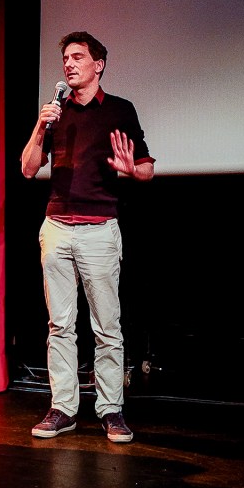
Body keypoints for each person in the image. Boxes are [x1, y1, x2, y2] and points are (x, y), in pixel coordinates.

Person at [20, 31, 155, 444]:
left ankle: (111, 409)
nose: (69, 64)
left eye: (78, 57)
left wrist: (131, 169)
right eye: (66, 58)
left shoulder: (119, 110)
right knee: (59, 325)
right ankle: (63, 408)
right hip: (56, 228)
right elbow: (28, 168)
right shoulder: (55, 113)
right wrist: (40, 126)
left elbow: (147, 168)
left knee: (107, 326)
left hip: (99, 230)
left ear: (98, 65)